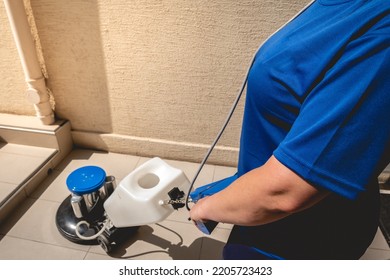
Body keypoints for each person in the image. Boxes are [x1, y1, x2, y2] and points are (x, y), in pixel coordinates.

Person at [189, 0, 390, 259]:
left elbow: (284, 192)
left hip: (303, 241)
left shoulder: (381, 37)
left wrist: (205, 209)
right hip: (267, 218)